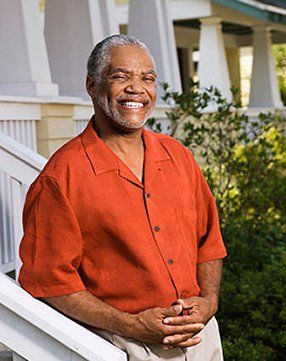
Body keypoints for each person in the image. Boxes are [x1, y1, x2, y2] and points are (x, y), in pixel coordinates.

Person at [19, 34, 227, 361]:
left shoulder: (179, 158)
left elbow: (209, 243)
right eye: (121, 76)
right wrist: (131, 325)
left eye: (147, 78)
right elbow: (49, 283)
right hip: (126, 347)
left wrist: (209, 303)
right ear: (92, 85)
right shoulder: (61, 178)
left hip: (202, 339)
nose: (136, 88)